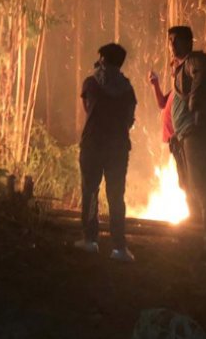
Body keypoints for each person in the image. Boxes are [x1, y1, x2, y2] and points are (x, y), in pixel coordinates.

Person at [75, 43, 137, 262]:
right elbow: (130, 119)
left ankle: (90, 240)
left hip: (93, 144)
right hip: (118, 147)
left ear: (103, 60)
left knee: (90, 191)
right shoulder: (127, 88)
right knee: (116, 196)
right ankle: (119, 247)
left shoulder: (91, 83)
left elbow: (87, 108)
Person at [167, 26, 206, 240]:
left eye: (177, 40)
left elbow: (200, 71)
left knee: (202, 181)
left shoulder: (194, 61)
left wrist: (195, 102)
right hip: (185, 133)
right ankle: (202, 226)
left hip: (196, 131)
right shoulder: (182, 68)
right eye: (170, 40)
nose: (172, 44)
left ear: (189, 41)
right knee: (191, 181)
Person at [147, 67, 199, 223]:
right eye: (172, 65)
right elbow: (162, 103)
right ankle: (194, 213)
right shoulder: (175, 90)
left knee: (188, 176)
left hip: (182, 138)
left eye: (176, 64)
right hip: (174, 140)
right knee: (183, 177)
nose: (173, 67)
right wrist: (155, 84)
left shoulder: (186, 89)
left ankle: (196, 214)